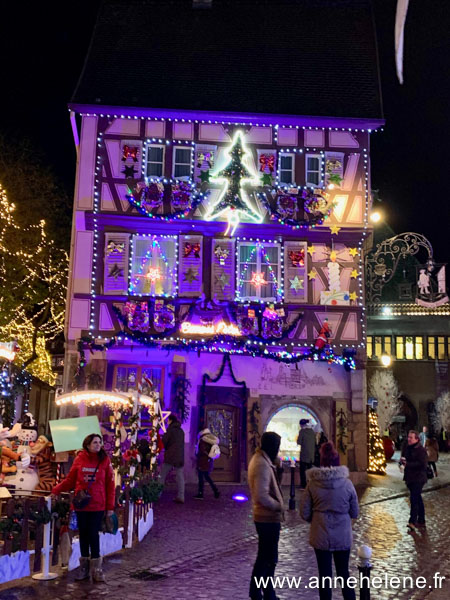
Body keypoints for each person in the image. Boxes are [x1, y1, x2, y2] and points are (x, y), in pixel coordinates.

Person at [52, 433, 115, 583]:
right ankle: (84, 567)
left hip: (98, 504)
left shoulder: (104, 460)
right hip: (82, 505)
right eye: (95, 442)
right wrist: (56, 490)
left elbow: (110, 485)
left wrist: (110, 507)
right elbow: (70, 480)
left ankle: (97, 568)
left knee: (93, 534)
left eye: (99, 442)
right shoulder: (80, 459)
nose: (98, 445)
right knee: (83, 535)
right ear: (87, 444)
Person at [300, 442, 359, 600]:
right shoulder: (347, 484)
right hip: (342, 535)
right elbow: (355, 511)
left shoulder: (313, 484)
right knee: (344, 574)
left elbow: (304, 512)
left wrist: (317, 517)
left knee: (324, 576)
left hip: (321, 533)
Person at [248, 432, 284, 600]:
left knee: (269, 558)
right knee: (266, 558)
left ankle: (268, 592)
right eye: (276, 446)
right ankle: (257, 592)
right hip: (266, 517)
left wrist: (278, 470)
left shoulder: (264, 461)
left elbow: (271, 488)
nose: (278, 450)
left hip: (268, 518)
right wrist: (278, 506)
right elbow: (261, 495)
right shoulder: (261, 463)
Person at [400, 430, 428, 531]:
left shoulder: (421, 450)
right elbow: (404, 458)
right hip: (410, 477)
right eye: (408, 437)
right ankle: (421, 520)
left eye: (411, 437)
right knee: (418, 498)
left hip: (419, 478)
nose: (409, 439)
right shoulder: (407, 448)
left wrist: (408, 465)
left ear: (416, 439)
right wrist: (402, 463)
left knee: (414, 499)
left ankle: (412, 521)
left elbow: (422, 464)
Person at [160, 414, 185, 504]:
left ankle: (158, 493)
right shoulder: (181, 431)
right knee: (180, 476)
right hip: (179, 456)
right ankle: (181, 496)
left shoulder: (170, 430)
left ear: (170, 420)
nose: (167, 422)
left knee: (162, 475)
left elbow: (165, 442)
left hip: (170, 456)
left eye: (167, 420)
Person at [194, 427, 220, 499]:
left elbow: (201, 450)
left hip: (202, 461)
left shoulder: (203, 439)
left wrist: (197, 454)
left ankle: (201, 493)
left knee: (202, 477)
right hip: (208, 460)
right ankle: (215, 490)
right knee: (206, 476)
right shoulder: (211, 438)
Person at [297, 419, 316, 489]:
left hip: (304, 454)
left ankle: (303, 485)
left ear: (301, 425)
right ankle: (310, 485)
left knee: (302, 471)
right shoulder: (312, 432)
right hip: (311, 455)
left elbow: (299, 442)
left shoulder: (302, 431)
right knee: (310, 471)